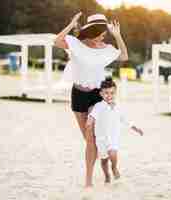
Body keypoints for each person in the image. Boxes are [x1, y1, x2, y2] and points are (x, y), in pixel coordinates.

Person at [54, 12, 128, 188]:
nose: (102, 37)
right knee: (91, 141)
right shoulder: (76, 44)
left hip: (96, 95)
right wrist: (71, 25)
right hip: (78, 95)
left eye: (104, 35)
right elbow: (57, 41)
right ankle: (107, 165)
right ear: (92, 31)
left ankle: (88, 180)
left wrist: (117, 35)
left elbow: (124, 56)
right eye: (100, 34)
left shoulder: (105, 49)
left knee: (92, 135)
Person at [86, 78, 143, 184]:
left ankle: (114, 167)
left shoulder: (118, 106)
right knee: (103, 161)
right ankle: (107, 175)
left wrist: (135, 128)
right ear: (101, 94)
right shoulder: (99, 106)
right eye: (106, 93)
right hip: (101, 139)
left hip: (113, 137)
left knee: (113, 153)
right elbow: (92, 116)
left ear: (115, 93)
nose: (109, 95)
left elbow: (125, 120)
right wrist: (89, 123)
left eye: (112, 93)